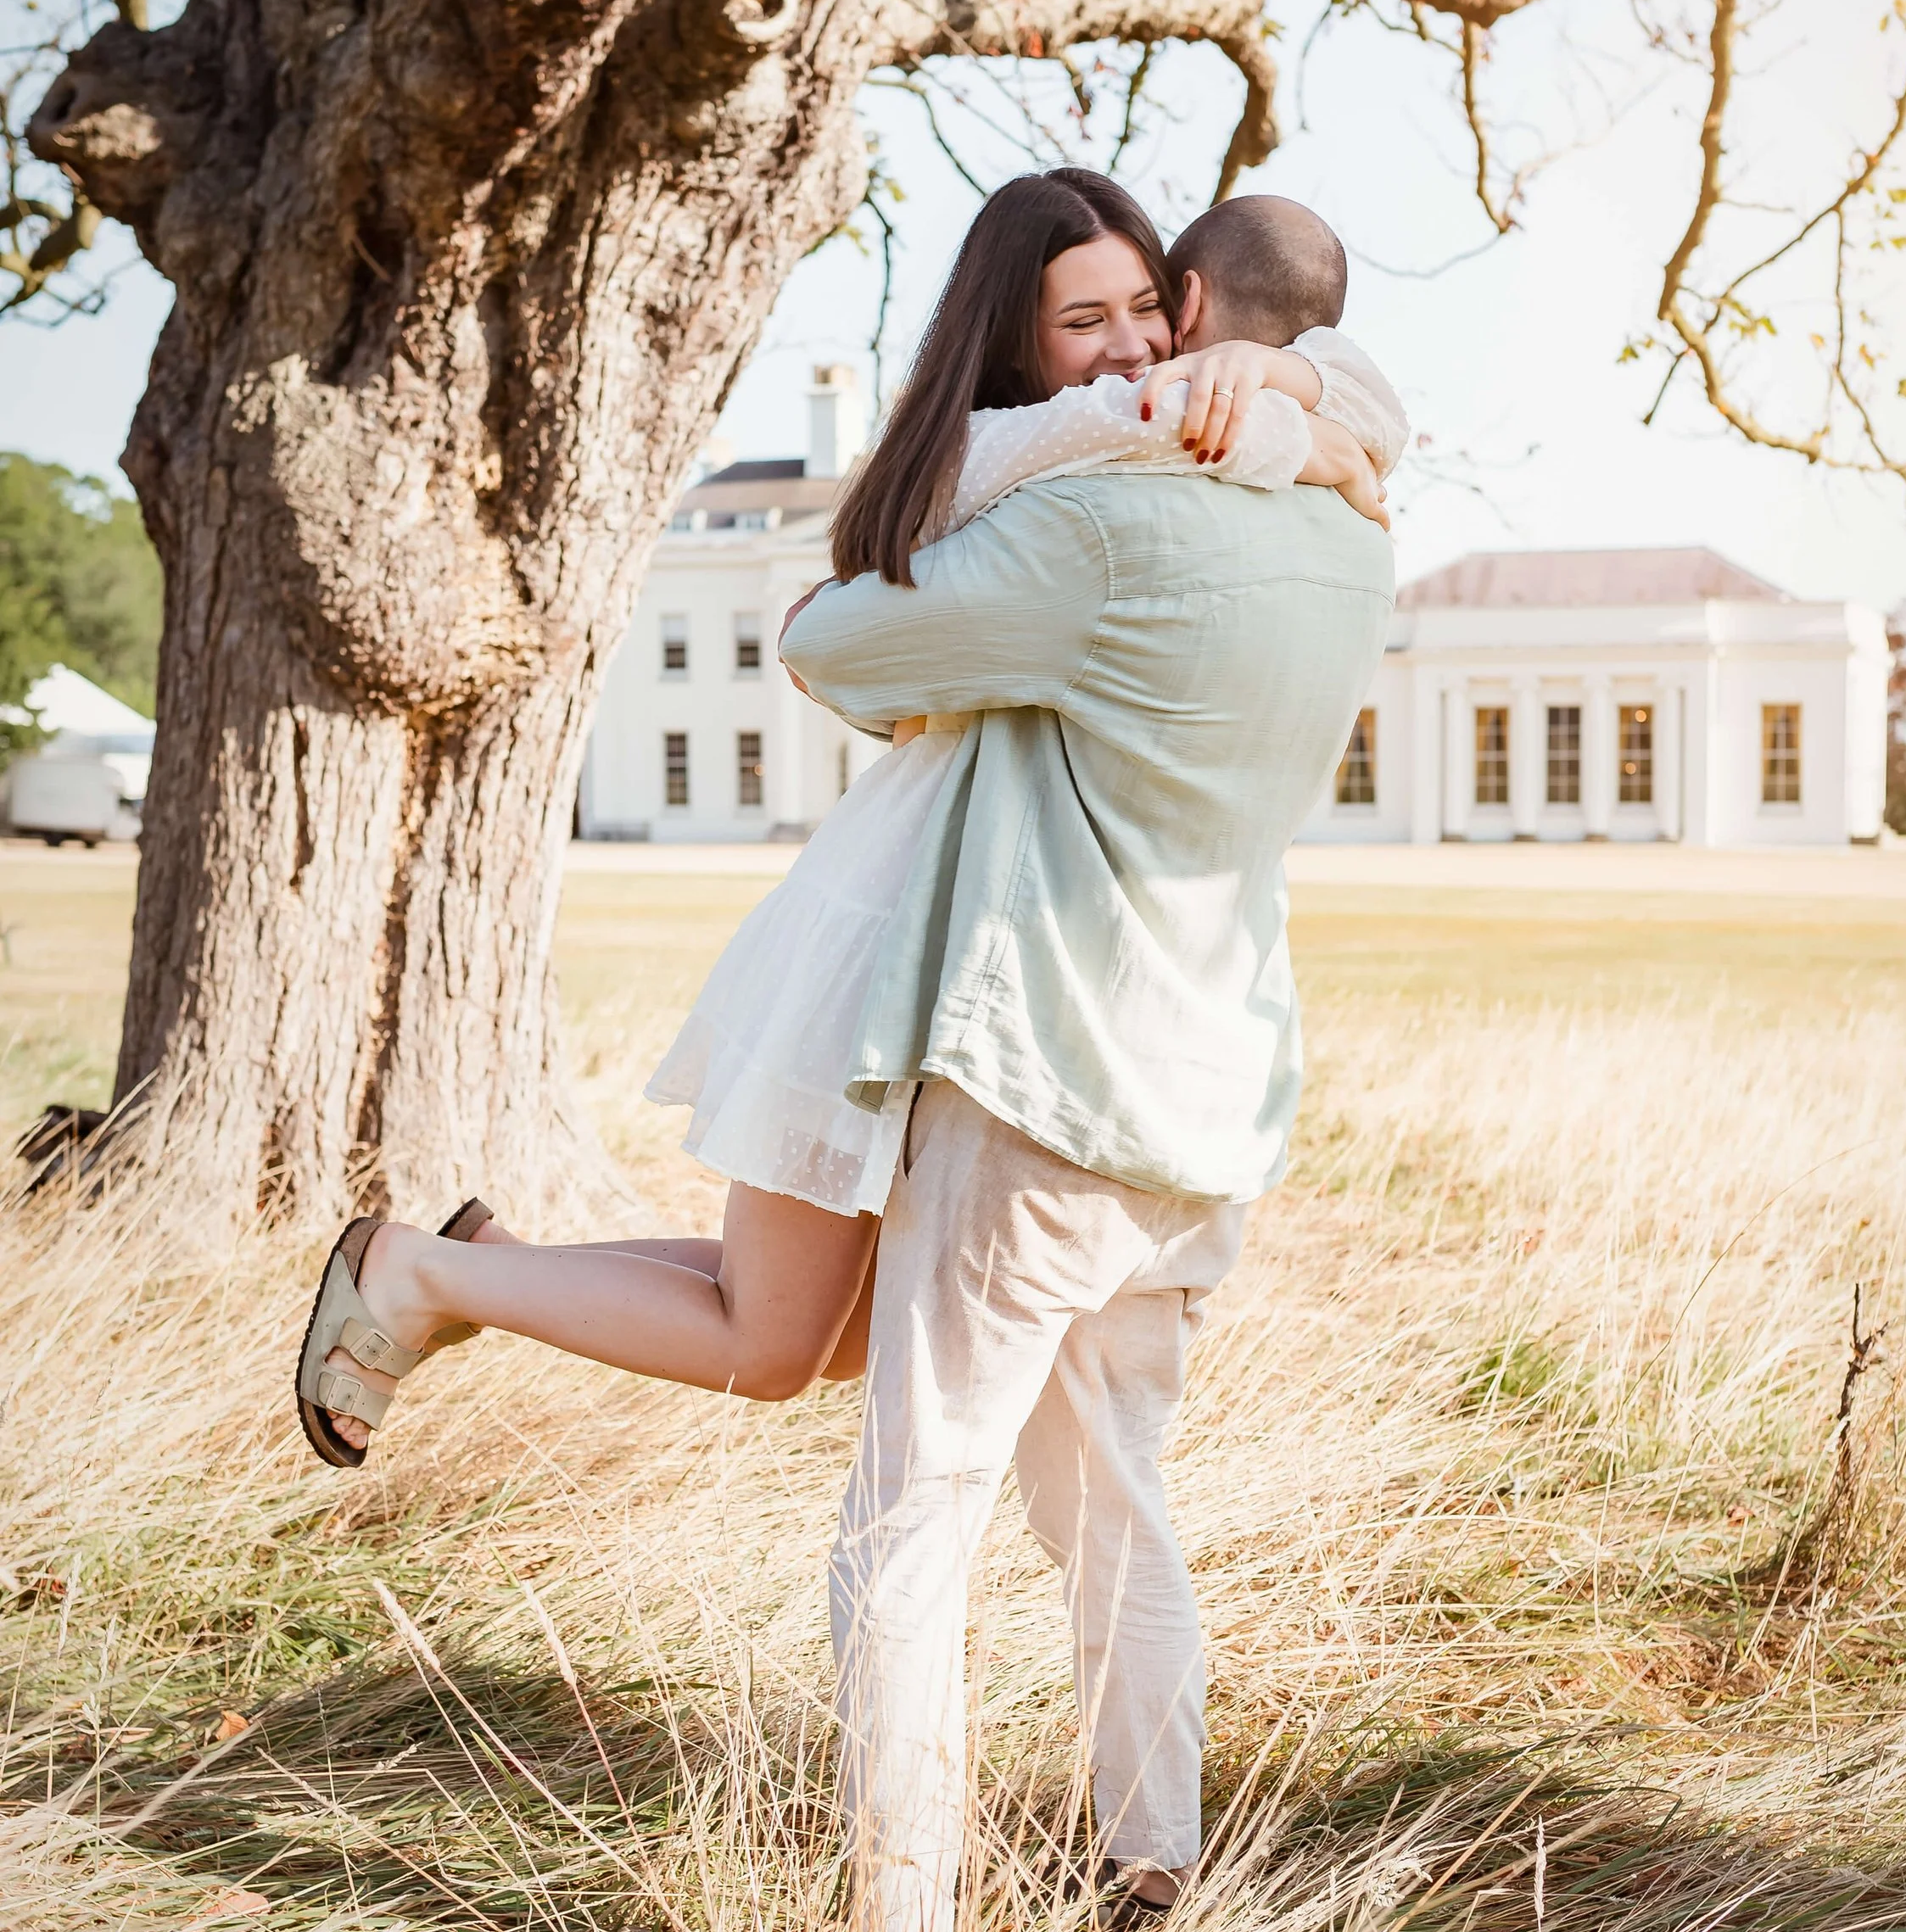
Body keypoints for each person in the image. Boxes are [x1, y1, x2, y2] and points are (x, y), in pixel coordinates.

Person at [294, 171, 1405, 1467]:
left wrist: (1302, 397)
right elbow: (1197, 420)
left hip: (941, 947)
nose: (1134, 350)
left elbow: (1338, 391)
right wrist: (1311, 430)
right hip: (873, 946)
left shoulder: (1081, 450)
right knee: (771, 1346)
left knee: (837, 1332)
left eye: (1147, 307)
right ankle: (412, 1276)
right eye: (1083, 322)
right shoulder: (1047, 445)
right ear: (1020, 341)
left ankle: (478, 1265)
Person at [779, 215, 1395, 1932]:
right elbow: (1357, 408)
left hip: (1046, 1083)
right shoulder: (1355, 526)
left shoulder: (1095, 526)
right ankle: (1150, 1853)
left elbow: (831, 647)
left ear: (1186, 317)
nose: (1124, 352)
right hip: (1212, 1093)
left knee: (916, 1508)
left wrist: (1057, 449)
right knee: (1111, 1493)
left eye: (1145, 320)